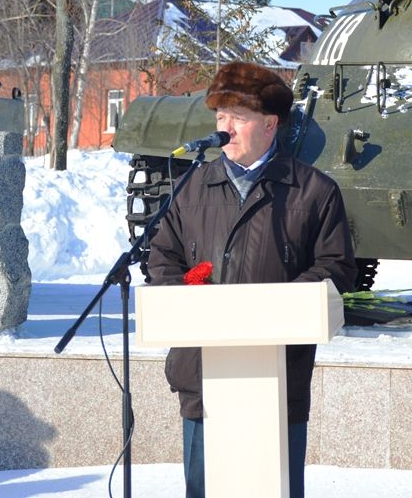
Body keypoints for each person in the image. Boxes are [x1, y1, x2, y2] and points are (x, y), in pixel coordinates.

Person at [147, 60, 358, 498]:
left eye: (237, 119)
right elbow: (162, 257)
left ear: (269, 125)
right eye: (220, 118)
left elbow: (336, 267)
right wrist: (190, 299)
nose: (225, 129)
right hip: (204, 375)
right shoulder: (192, 186)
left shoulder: (314, 191)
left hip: (277, 376)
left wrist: (272, 309)